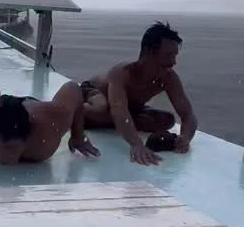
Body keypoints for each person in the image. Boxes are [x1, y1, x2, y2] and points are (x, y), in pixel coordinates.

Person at [80, 21, 198, 166]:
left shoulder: (168, 77)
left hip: (127, 108)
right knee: (101, 108)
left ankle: (111, 122)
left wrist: (185, 137)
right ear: (149, 53)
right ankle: (76, 112)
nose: (173, 62)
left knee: (166, 120)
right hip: (94, 93)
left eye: (175, 55)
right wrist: (136, 144)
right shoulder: (123, 72)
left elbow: (188, 115)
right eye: (169, 55)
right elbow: (118, 109)